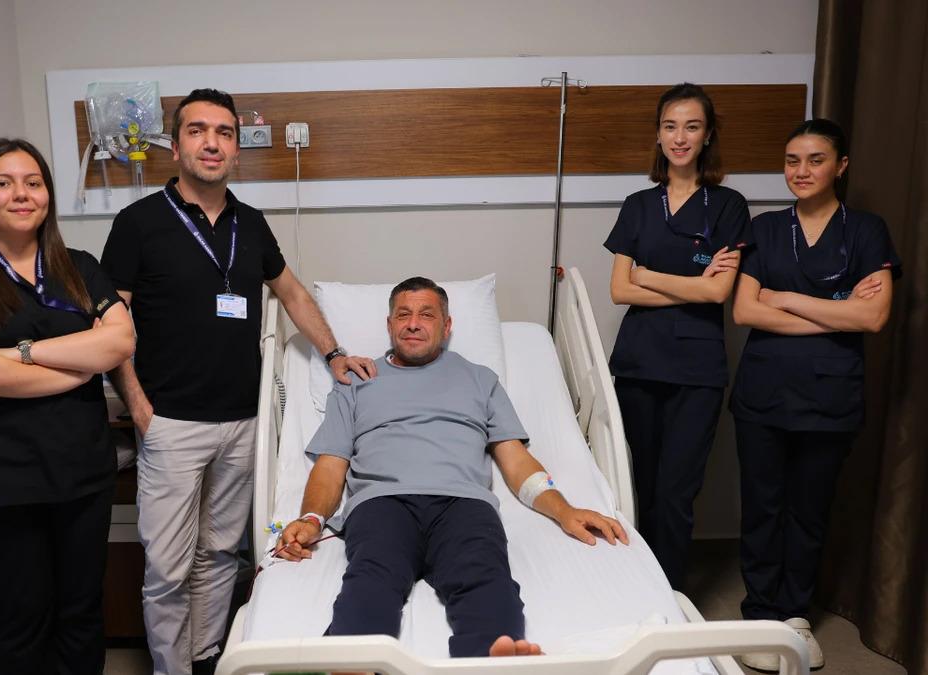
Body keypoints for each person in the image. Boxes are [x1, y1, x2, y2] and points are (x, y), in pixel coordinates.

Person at [100, 88, 375, 675]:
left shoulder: (250, 224)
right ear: (176, 146)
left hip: (242, 420)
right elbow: (110, 325)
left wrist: (333, 353)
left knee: (222, 554)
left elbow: (292, 293)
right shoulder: (139, 223)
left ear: (236, 149)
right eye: (197, 130)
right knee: (167, 568)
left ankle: (205, 659)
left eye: (224, 133)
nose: (211, 143)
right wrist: (140, 408)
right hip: (170, 421)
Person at [277, 277, 628, 659]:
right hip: (382, 503)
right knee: (370, 584)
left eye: (426, 315)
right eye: (403, 315)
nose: (413, 323)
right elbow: (331, 465)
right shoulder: (354, 382)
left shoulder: (480, 379)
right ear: (390, 325)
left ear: (447, 326)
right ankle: (350, 663)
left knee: (489, 587)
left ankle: (491, 664)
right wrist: (311, 519)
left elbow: (515, 460)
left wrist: (565, 510)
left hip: (463, 505)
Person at [0, 138, 135, 674]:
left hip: (81, 475)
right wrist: (78, 364)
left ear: (47, 195)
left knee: (82, 613)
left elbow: (120, 341)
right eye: (4, 183)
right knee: (24, 621)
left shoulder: (80, 267)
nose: (21, 194)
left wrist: (23, 353)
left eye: (33, 183)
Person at [729, 119, 899, 672]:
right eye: (792, 161)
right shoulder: (765, 228)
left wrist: (784, 298)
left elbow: (873, 317)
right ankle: (760, 613)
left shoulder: (867, 231)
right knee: (762, 508)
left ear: (841, 166)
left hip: (830, 397)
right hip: (763, 393)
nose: (801, 171)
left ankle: (795, 615)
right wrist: (838, 310)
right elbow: (745, 310)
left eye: (816, 160)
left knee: (808, 511)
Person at [602, 82, 750, 591]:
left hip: (696, 372)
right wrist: (691, 286)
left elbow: (719, 293)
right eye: (670, 126)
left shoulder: (728, 205)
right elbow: (619, 290)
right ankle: (636, 591)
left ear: (707, 136)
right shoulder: (638, 204)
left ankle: (667, 598)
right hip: (639, 364)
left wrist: (649, 276)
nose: (680, 137)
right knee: (640, 487)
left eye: (691, 126)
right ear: (659, 135)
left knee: (676, 492)